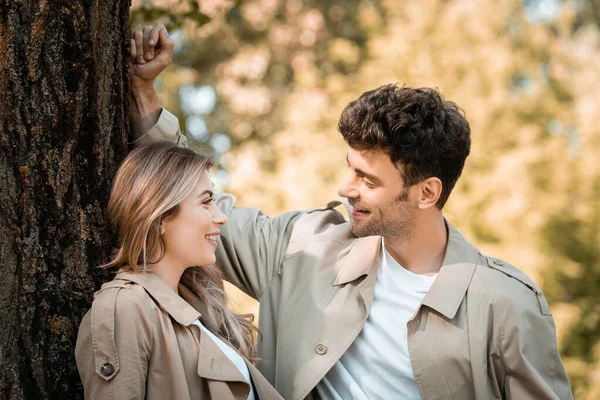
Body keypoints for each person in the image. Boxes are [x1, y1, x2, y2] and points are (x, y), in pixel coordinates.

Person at [128, 25, 573, 400]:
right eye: (351, 170)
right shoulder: (302, 249)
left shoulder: (506, 303)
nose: (347, 190)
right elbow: (194, 206)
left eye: (369, 181)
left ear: (426, 193)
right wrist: (145, 95)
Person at [75, 142, 283, 400]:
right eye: (206, 202)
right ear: (161, 216)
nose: (221, 217)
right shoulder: (124, 309)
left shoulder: (197, 307)